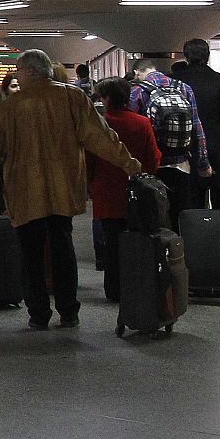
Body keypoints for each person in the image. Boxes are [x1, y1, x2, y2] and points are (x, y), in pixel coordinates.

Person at [0, 50, 141, 330]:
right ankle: (69, 311)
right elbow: (100, 136)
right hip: (63, 186)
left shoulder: (10, 106)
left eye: (19, 71)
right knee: (62, 247)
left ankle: (37, 313)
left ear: (30, 71)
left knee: (30, 253)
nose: (18, 76)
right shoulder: (72, 98)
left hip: (24, 189)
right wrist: (129, 164)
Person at [87, 77, 161, 301]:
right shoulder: (142, 122)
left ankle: (114, 289)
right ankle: (138, 285)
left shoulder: (100, 124)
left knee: (112, 243)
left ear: (107, 98)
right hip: (137, 192)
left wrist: (89, 183)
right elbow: (153, 157)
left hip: (106, 191)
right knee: (138, 240)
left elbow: (90, 159)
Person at [130, 59, 213, 229]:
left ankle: (157, 252)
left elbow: (134, 131)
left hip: (152, 165)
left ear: (137, 73)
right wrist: (203, 163)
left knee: (153, 215)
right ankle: (179, 251)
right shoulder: (184, 88)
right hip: (181, 163)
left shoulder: (137, 91)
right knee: (179, 214)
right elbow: (197, 128)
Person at [171, 39, 220, 210]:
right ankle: (219, 233)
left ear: (186, 56)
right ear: (208, 56)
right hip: (217, 149)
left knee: (192, 200)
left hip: (185, 149)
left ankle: (194, 234)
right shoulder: (219, 81)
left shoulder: (175, 81)